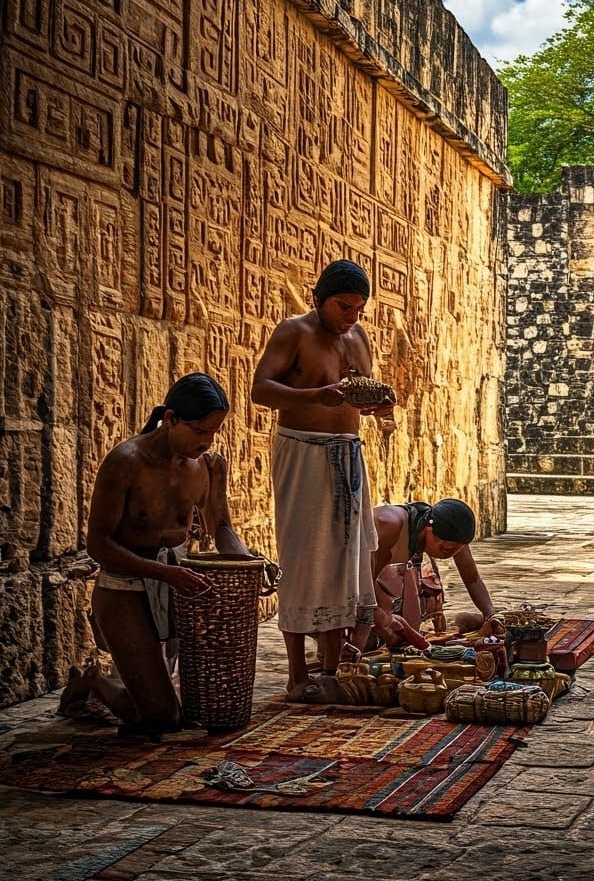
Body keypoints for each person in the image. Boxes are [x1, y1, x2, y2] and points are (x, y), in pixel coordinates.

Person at [60, 372, 251, 736]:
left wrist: (253, 567)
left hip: (172, 587)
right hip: (124, 591)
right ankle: (94, 683)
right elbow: (98, 545)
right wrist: (164, 574)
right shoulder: (126, 462)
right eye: (199, 432)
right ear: (170, 419)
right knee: (162, 718)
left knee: (202, 709)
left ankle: (131, 685)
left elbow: (222, 529)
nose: (207, 442)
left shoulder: (204, 467)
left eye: (214, 432)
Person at [251, 259, 394, 702]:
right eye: (342, 306)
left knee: (343, 563)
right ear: (318, 299)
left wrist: (378, 407)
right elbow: (260, 389)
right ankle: (297, 677)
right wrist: (316, 394)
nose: (350, 316)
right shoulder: (293, 331)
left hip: (348, 455)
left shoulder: (358, 336)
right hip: (303, 453)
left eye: (357, 309)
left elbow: (361, 393)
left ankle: (330, 669)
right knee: (303, 557)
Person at [371, 498, 497, 641]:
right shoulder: (389, 525)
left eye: (454, 549)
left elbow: (472, 580)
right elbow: (362, 582)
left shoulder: (454, 536)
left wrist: (490, 615)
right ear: (428, 528)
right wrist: (380, 614)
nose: (447, 554)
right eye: (445, 549)